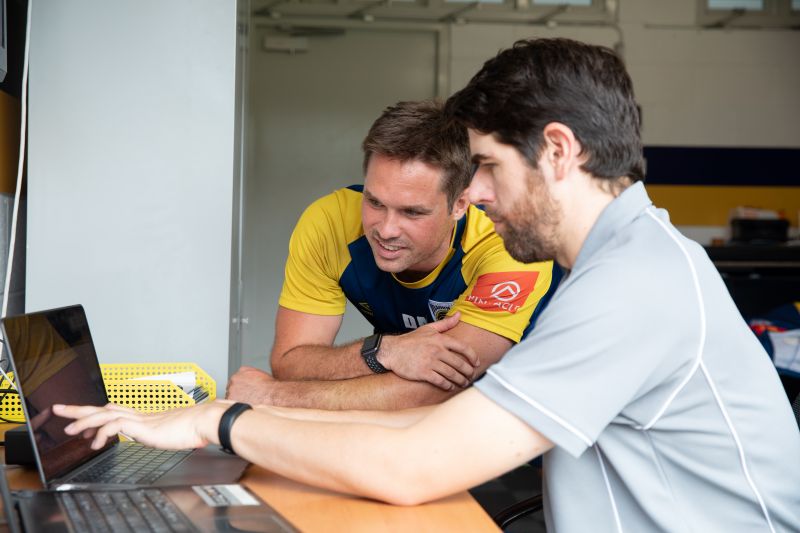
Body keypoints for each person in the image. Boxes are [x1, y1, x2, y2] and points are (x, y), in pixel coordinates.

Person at [55, 38, 800, 532]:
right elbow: (431, 427)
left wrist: (214, 426)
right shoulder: (618, 264)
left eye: (487, 167)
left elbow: (415, 464)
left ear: (560, 151)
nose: (473, 194)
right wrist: (225, 414)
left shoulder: (634, 285)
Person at [226, 100, 557, 410]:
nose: (385, 229)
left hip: (537, 413)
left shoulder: (508, 244)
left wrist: (273, 395)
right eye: (374, 202)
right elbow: (291, 361)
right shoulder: (330, 222)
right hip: (416, 422)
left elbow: (434, 389)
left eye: (412, 212)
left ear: (460, 204)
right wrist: (382, 351)